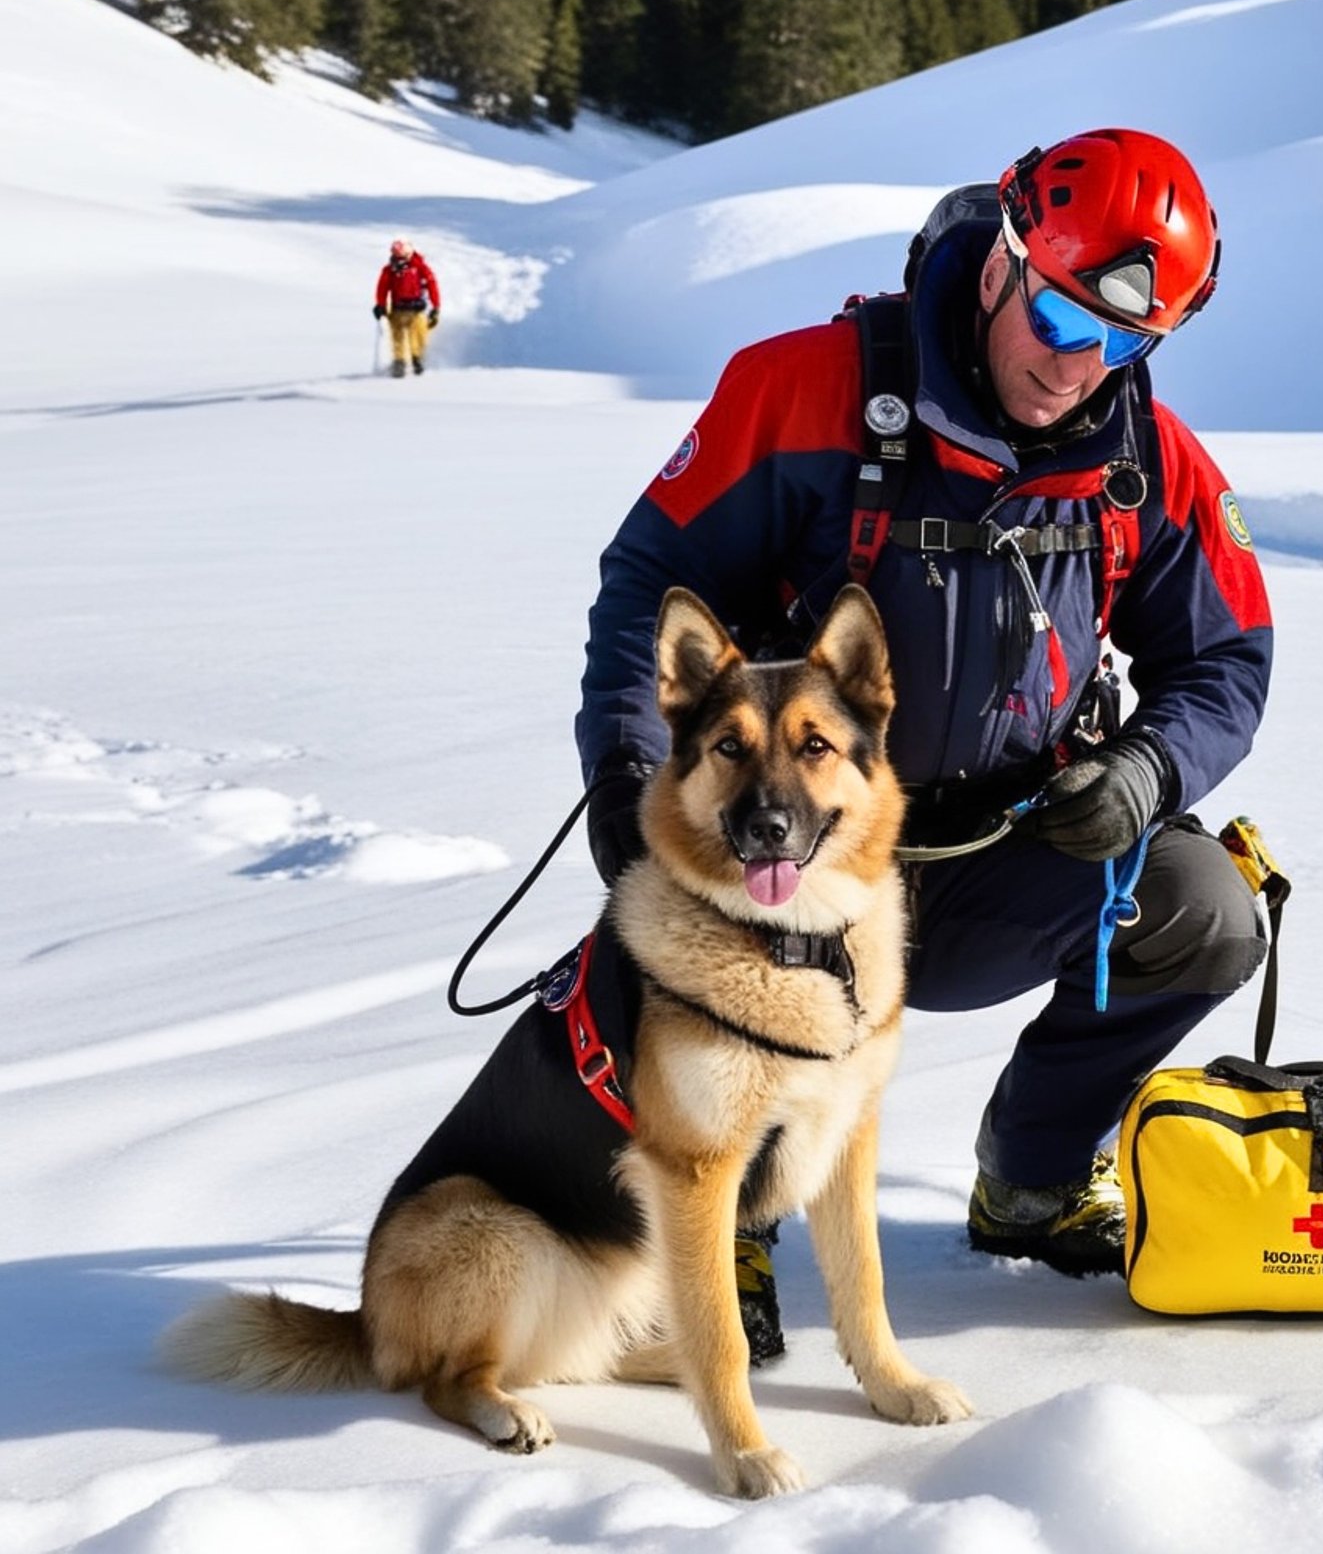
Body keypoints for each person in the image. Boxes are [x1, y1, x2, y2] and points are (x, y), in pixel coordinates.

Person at [575, 128, 1273, 1351]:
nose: (1080, 370)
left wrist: (1146, 769)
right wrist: (631, 768)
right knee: (674, 938)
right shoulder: (800, 390)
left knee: (1201, 911)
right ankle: (721, 1216)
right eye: (1064, 323)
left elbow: (1222, 657)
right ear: (1003, 261)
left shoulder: (1143, 461)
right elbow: (654, 582)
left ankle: (1034, 1177)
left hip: (1009, 851)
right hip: (792, 854)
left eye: (1124, 344)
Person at [373, 237, 440, 377]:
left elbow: (432, 286)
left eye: (401, 257)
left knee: (417, 335)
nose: (398, 261)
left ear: (409, 254)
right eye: (395, 257)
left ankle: (417, 359)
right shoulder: (389, 270)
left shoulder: (421, 268)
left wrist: (436, 307)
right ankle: (399, 361)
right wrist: (380, 304)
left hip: (417, 310)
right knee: (397, 336)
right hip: (397, 309)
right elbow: (382, 288)